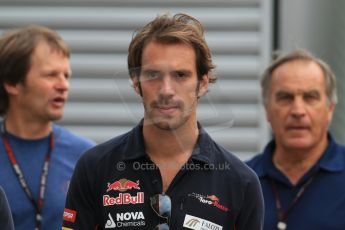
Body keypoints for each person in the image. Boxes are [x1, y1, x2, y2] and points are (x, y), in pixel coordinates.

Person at [62, 13, 264, 230]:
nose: (166, 90)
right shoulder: (94, 168)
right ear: (136, 83)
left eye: (180, 75)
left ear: (203, 83)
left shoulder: (241, 183)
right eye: (153, 75)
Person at [0, 25, 95, 230]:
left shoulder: (87, 156)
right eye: (51, 75)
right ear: (12, 82)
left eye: (66, 76)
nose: (63, 85)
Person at [246, 49, 345, 230]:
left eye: (310, 97)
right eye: (285, 98)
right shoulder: (241, 180)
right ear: (267, 109)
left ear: (330, 109)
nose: (298, 110)